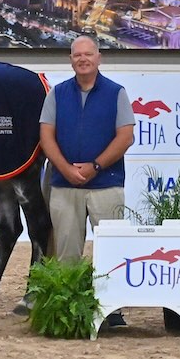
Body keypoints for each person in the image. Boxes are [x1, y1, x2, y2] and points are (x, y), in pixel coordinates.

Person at [39, 34, 134, 326]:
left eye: (88, 54)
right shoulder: (57, 94)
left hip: (107, 185)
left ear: (98, 58)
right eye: (77, 55)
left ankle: (112, 310)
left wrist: (95, 166)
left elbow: (125, 136)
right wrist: (65, 169)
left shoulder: (117, 93)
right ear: (71, 60)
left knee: (112, 251)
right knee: (67, 250)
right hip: (65, 186)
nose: (82, 59)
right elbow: (46, 136)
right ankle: (69, 309)